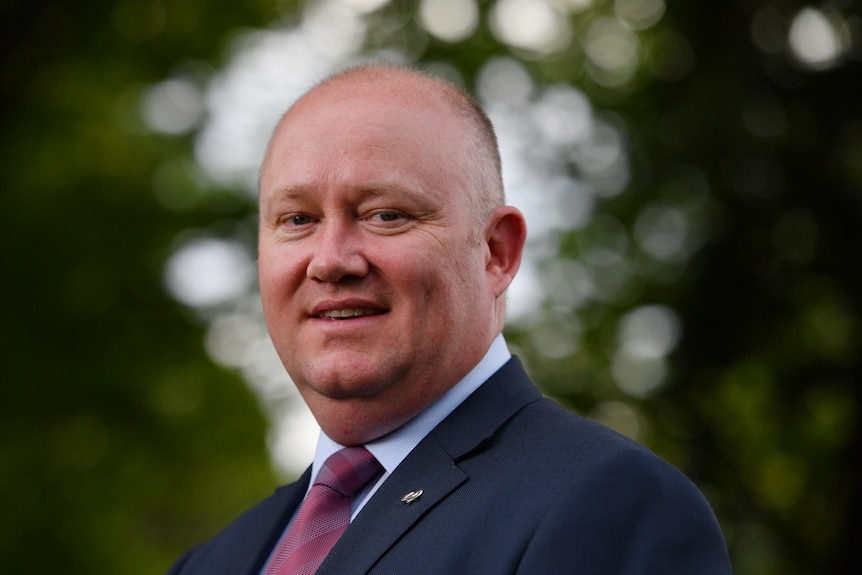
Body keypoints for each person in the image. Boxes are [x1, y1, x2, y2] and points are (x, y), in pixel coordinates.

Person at [167, 64, 732, 574]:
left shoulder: (614, 506)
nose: (331, 259)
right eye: (297, 220)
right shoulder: (213, 563)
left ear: (496, 253)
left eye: (385, 214)